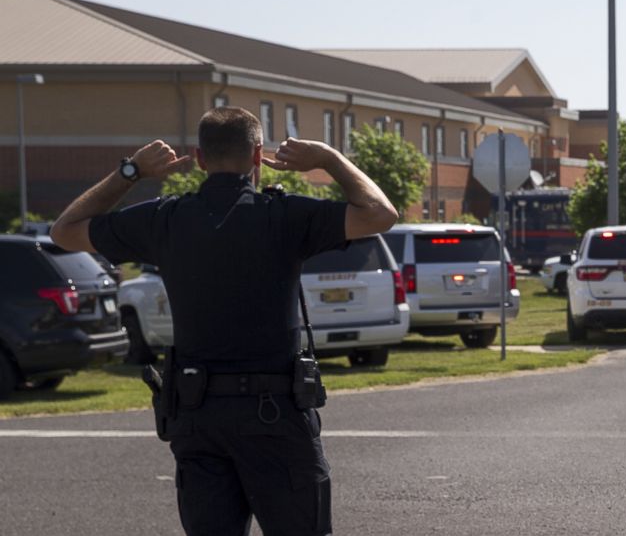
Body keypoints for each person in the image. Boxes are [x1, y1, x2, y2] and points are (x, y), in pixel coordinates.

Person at [51, 106, 397, 535]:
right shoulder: (286, 215)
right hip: (276, 415)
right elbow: (380, 213)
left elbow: (65, 230)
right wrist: (328, 158)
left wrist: (132, 171)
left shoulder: (165, 219)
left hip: (198, 416)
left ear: (199, 158)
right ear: (257, 156)